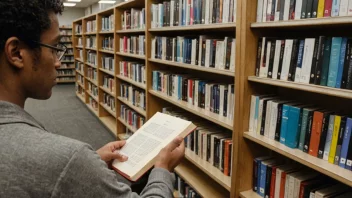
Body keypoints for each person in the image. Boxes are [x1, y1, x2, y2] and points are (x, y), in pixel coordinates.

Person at [0, 0, 185, 197]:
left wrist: (86, 165)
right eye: (54, 48)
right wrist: (163, 170)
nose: (58, 63)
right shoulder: (61, 157)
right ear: (16, 53)